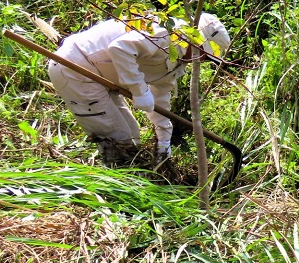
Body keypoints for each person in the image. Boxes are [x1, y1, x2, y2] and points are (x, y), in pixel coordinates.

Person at [48, 13, 230, 166]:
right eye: (206, 56)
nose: (203, 61)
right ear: (197, 44)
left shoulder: (177, 59)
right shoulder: (163, 33)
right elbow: (120, 48)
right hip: (74, 69)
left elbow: (161, 96)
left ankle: (128, 178)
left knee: (132, 133)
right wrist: (139, 91)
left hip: (101, 79)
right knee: (118, 138)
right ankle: (117, 187)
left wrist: (164, 138)